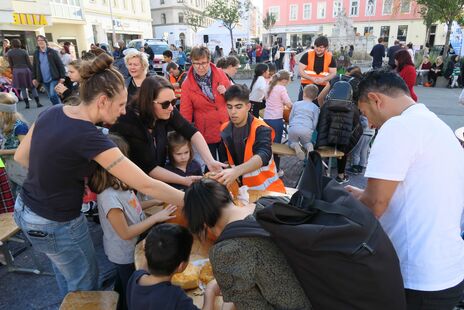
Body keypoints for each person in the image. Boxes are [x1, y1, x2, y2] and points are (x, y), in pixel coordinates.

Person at [13, 53, 185, 298]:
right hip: (57, 222)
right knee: (84, 290)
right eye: (121, 105)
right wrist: (192, 199)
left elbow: (21, 157)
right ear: (103, 101)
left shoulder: (54, 111)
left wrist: (56, 174)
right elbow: (146, 183)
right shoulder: (90, 137)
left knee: (65, 274)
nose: (124, 112)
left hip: (26, 210)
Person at [346, 69, 464, 310]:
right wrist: (358, 194)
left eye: (365, 113)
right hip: (448, 271)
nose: (368, 122)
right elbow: (411, 194)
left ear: (376, 99)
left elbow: (376, 205)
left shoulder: (397, 127)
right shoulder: (434, 124)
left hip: (417, 276)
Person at [183, 179, 311, 309]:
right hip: (324, 292)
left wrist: (211, 292)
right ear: (230, 196)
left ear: (203, 224)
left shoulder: (225, 251)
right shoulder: (270, 202)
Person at [89, 134, 177, 310]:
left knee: (123, 284)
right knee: (131, 288)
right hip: (124, 254)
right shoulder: (108, 197)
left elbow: (132, 206)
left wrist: (155, 201)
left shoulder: (119, 183)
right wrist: (156, 217)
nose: (127, 162)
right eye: (122, 159)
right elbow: (125, 232)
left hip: (134, 247)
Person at [110, 75, 224, 189]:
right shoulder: (129, 123)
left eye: (174, 101)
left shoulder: (167, 110)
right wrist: (183, 180)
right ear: (149, 103)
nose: (171, 108)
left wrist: (210, 161)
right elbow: (149, 168)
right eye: (165, 104)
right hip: (127, 183)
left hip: (152, 178)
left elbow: (191, 132)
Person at [126, 223, 224, 310]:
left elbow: (146, 262)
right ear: (181, 266)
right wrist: (210, 292)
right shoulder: (175, 297)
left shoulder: (136, 276)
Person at [215, 84, 285, 193]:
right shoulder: (224, 128)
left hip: (266, 192)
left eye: (238, 107)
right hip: (240, 193)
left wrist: (236, 171)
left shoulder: (261, 128)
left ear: (248, 107)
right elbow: (224, 159)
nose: (233, 112)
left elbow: (263, 154)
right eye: (229, 107)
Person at [180, 46, 231, 163]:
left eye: (203, 63)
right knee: (210, 164)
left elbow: (233, 97)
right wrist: (184, 135)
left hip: (225, 126)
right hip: (206, 130)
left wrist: (226, 92)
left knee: (228, 162)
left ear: (209, 61)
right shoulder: (187, 84)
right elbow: (185, 111)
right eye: (196, 63)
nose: (200, 67)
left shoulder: (220, 73)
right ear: (191, 62)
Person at [317, 65, 363, 184]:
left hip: (329, 112)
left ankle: (320, 172)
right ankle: (341, 176)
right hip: (349, 115)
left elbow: (320, 97)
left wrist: (324, 109)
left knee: (325, 139)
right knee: (343, 144)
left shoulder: (336, 78)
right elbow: (361, 105)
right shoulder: (358, 83)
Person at [264, 70, 292, 173]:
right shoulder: (281, 88)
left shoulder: (269, 86)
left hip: (266, 118)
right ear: (284, 80)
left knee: (267, 144)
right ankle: (276, 169)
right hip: (276, 119)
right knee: (276, 146)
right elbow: (288, 104)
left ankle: (266, 168)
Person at [0, 92, 29, 195]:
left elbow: (25, 149)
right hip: (9, 164)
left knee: (25, 191)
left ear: (3, 112)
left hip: (19, 165)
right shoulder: (4, 123)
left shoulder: (19, 126)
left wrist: (3, 151)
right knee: (11, 191)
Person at [298, 35, 337, 102]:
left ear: (326, 48)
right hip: (307, 87)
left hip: (323, 88)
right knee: (303, 106)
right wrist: (312, 78)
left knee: (321, 108)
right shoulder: (307, 55)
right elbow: (300, 71)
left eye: (321, 47)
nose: (318, 49)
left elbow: (333, 73)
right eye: (316, 46)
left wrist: (323, 79)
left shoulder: (330, 57)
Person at [6, 39, 42, 109]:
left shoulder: (10, 53)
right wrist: (33, 72)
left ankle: (27, 105)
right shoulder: (24, 51)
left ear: (12, 44)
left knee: (22, 88)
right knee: (32, 87)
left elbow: (11, 64)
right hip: (26, 70)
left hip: (17, 71)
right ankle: (38, 103)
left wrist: (13, 73)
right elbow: (28, 63)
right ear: (19, 43)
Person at [288, 84, 320, 160]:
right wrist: (311, 129)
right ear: (316, 97)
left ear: (303, 93)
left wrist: (291, 125)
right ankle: (309, 148)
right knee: (307, 143)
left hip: (294, 128)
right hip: (307, 129)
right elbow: (315, 121)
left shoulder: (296, 104)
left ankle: (296, 146)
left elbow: (291, 117)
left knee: (291, 142)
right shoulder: (315, 108)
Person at [32, 35, 66, 106]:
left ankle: (59, 109)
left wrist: (63, 77)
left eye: (42, 40)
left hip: (54, 78)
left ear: (45, 42)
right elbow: (34, 66)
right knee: (50, 96)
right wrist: (34, 78)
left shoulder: (52, 52)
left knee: (53, 95)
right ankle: (57, 108)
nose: (40, 42)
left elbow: (60, 64)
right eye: (38, 40)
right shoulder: (36, 53)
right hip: (43, 79)